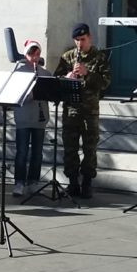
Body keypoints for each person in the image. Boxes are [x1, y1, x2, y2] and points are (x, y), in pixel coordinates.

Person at [53, 23, 111, 199]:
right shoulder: (67, 57)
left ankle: (87, 183)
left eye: (83, 40)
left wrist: (87, 74)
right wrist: (66, 78)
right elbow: (55, 81)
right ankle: (72, 183)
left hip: (90, 112)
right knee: (70, 149)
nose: (80, 44)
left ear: (89, 37)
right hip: (71, 111)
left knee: (89, 149)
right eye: (77, 40)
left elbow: (106, 83)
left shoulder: (99, 57)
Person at [12, 40, 51, 197]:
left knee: (37, 152)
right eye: (30, 54)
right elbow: (16, 95)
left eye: (37, 54)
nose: (34, 57)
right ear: (25, 54)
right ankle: (19, 182)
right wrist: (31, 94)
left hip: (40, 119)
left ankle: (33, 181)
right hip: (23, 118)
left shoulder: (45, 73)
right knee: (22, 152)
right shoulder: (19, 73)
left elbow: (51, 92)